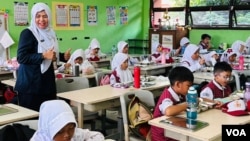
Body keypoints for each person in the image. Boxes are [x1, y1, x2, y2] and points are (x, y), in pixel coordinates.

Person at [14, 3, 58, 111]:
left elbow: (49, 52)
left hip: (47, 84)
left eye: (45, 16)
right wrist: (43, 56)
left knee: (48, 118)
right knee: (31, 121)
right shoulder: (28, 33)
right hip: (31, 85)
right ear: (33, 17)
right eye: (38, 16)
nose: (41, 19)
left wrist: (62, 56)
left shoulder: (51, 33)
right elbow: (21, 57)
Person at [151, 66, 194, 141]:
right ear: (178, 84)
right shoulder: (167, 97)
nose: (190, 88)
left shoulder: (180, 94)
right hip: (162, 136)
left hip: (172, 130)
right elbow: (169, 111)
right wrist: (189, 104)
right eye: (188, 86)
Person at [30, 100, 105, 141]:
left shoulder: (76, 134)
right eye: (59, 131)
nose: (67, 135)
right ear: (49, 130)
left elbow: (98, 135)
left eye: (71, 127)